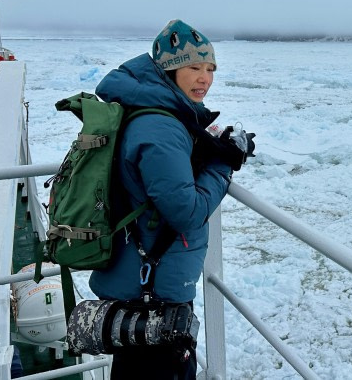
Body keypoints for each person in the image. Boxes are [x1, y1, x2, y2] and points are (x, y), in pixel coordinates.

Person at [89, 19, 253, 380]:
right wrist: (224, 163)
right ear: (169, 70)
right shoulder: (160, 127)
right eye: (193, 67)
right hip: (151, 288)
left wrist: (208, 149)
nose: (204, 78)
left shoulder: (154, 112)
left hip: (137, 275)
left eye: (210, 68)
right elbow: (186, 212)